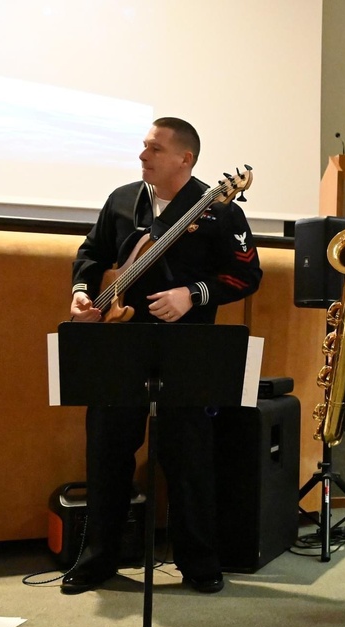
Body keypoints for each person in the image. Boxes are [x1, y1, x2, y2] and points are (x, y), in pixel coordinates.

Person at [64, 117, 262, 595]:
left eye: (153, 148)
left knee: (188, 456)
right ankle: (97, 558)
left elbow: (247, 275)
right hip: (118, 343)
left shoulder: (218, 210)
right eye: (143, 146)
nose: (142, 155)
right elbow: (91, 253)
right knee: (107, 451)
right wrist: (82, 291)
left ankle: (199, 561)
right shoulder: (121, 199)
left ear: (184, 159)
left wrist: (193, 294)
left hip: (186, 348)